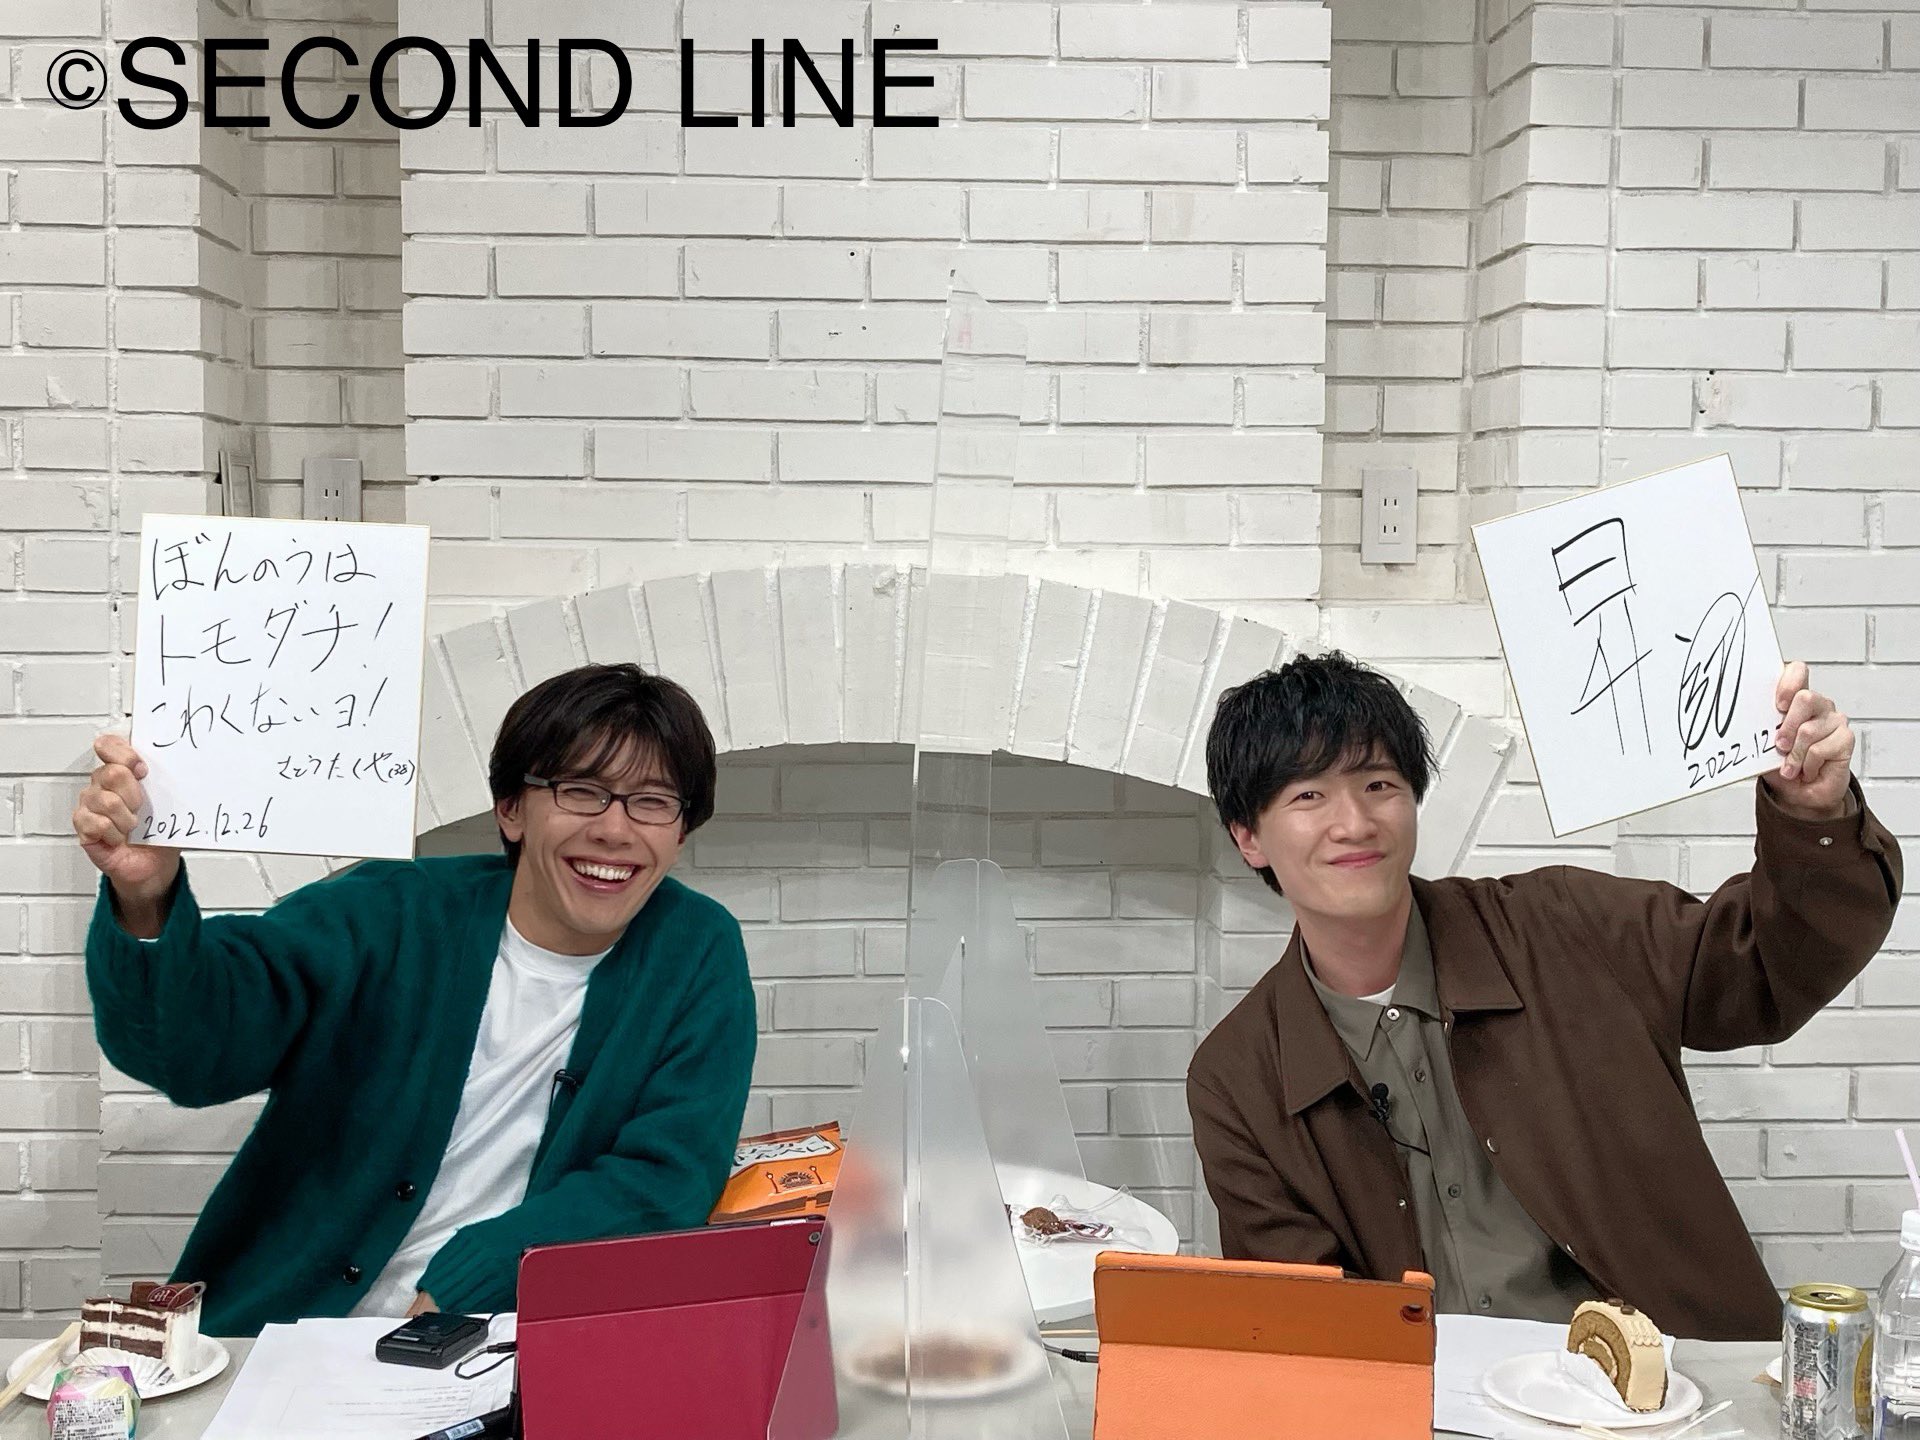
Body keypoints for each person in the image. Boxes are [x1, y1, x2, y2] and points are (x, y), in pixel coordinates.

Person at [1188, 651, 1901, 1342]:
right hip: (1428, 1401)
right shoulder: (1238, 1078)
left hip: (1675, 1386)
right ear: (1249, 837)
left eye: (1378, 784)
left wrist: (1813, 817)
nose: (1354, 822)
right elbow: (1306, 1326)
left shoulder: (1565, 926)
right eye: (1308, 796)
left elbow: (1764, 967)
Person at [75, 663, 757, 1336]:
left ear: (680, 831)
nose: (615, 829)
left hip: (506, 1343)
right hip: (286, 1330)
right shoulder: (387, 912)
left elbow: (667, 1176)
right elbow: (193, 1052)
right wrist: (146, 898)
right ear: (511, 809)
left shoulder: (696, 951)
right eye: (582, 792)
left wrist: (481, 1271)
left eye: (652, 802)